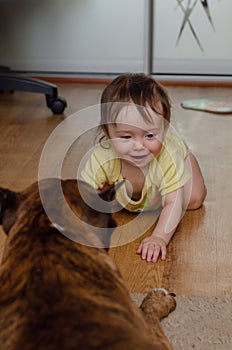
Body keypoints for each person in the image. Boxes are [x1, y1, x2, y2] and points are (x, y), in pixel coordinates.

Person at [80, 73, 207, 262]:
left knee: (193, 200)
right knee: (105, 202)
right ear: (107, 133)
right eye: (126, 137)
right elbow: (79, 193)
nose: (139, 146)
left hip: (172, 167)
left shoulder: (167, 156)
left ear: (164, 129)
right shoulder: (102, 156)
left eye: (149, 135)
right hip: (137, 189)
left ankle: (187, 157)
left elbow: (173, 204)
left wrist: (159, 238)